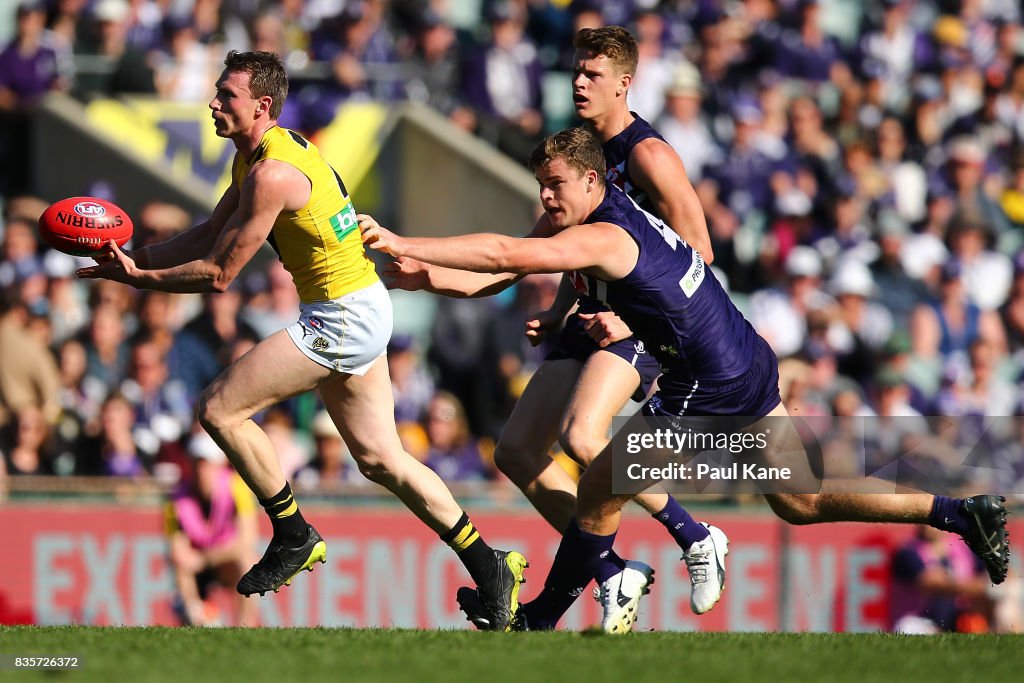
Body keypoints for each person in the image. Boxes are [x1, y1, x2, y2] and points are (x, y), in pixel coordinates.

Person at [359, 126, 1010, 631]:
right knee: (800, 500)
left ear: (591, 178)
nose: (546, 198)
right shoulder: (605, 208)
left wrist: (403, 240)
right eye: (541, 186)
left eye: (554, 184)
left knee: (597, 489)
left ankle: (546, 613)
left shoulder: (606, 237)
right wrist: (428, 275)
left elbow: (507, 253)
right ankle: (961, 512)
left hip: (706, 382)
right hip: (744, 354)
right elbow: (506, 268)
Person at [77, 50, 527, 631]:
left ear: (261, 105)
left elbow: (220, 273)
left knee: (219, 410)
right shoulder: (261, 155)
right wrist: (133, 261)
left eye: (226, 95)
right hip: (359, 304)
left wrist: (139, 279)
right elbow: (210, 231)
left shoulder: (271, 174)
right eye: (216, 90)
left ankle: (292, 533)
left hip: (341, 314)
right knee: (382, 459)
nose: (213, 102)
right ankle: (490, 567)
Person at [386, 26, 725, 633]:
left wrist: (627, 314)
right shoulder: (570, 163)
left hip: (643, 323)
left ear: (625, 83)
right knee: (517, 451)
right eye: (575, 71)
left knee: (582, 438)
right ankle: (612, 570)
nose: (577, 82)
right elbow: (510, 262)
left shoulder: (647, 154)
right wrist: (423, 276)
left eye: (592, 74)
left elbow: (696, 247)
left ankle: (695, 534)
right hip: (589, 321)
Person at [165, 431, 259, 627]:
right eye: (198, 463)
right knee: (181, 563)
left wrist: (205, 559)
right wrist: (194, 560)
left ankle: (244, 627)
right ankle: (195, 617)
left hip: (223, 560)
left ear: (220, 464)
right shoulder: (176, 500)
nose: (202, 470)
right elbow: (177, 548)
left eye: (207, 463)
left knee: (248, 563)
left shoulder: (237, 488)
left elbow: (247, 540)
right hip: (197, 563)